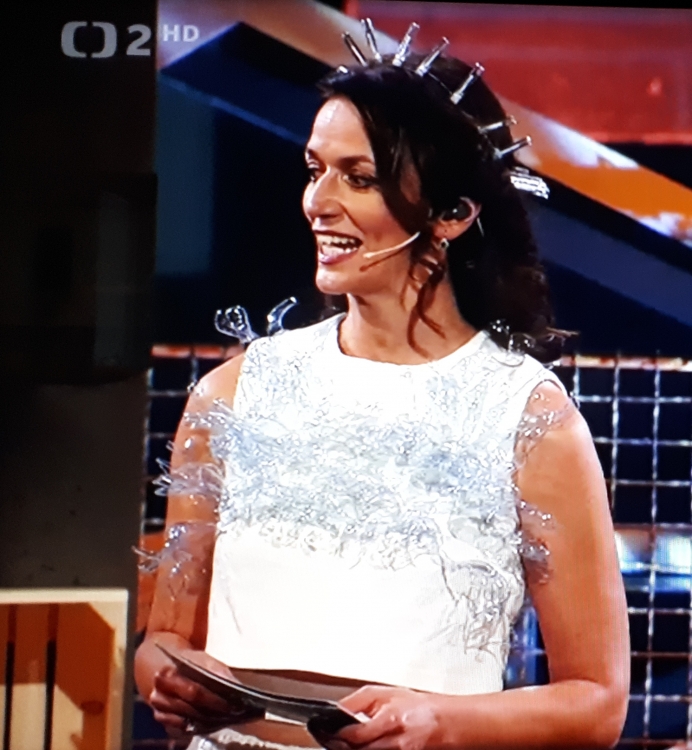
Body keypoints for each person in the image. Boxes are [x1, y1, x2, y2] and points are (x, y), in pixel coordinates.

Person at [135, 21, 630, 750]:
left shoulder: (526, 418)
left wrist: (444, 722)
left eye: (358, 178)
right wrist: (169, 677)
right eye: (315, 169)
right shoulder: (233, 396)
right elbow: (164, 641)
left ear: (453, 214)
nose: (318, 201)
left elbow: (598, 703)